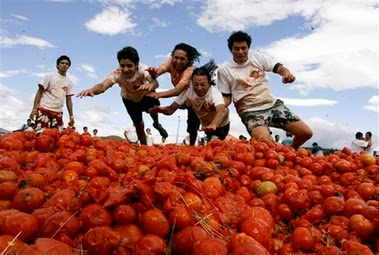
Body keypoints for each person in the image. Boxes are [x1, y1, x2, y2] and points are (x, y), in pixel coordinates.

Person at [217, 31, 312, 150]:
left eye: (243, 48)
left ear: (248, 48)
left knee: (306, 133)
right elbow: (226, 97)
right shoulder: (224, 69)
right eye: (236, 49)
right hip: (250, 110)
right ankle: (274, 154)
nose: (240, 52)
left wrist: (287, 74)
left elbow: (279, 68)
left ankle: (291, 151)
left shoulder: (257, 57)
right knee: (264, 141)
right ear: (231, 50)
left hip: (272, 105)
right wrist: (218, 104)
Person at [76, 46, 168, 145]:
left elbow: (154, 82)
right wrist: (91, 90)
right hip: (129, 99)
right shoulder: (117, 73)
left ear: (136, 64)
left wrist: (150, 85)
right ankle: (144, 147)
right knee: (139, 125)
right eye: (122, 65)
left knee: (153, 107)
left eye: (129, 66)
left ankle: (156, 123)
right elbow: (102, 86)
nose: (125, 69)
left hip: (144, 94)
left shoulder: (143, 69)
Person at [149, 60, 229, 143]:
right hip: (207, 126)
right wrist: (162, 110)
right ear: (191, 83)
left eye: (203, 85)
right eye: (195, 84)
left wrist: (214, 125)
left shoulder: (214, 93)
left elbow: (221, 110)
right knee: (208, 146)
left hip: (221, 125)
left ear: (209, 83)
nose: (199, 88)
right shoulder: (188, 91)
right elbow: (171, 109)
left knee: (214, 144)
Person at [147, 43, 201, 145]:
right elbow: (160, 71)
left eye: (182, 59)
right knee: (170, 109)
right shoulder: (171, 62)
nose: (178, 61)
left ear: (188, 60)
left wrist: (159, 95)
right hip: (182, 95)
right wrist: (154, 73)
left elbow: (177, 90)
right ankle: (158, 122)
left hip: (192, 95)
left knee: (192, 122)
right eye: (176, 58)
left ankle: (192, 146)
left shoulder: (190, 71)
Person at [29, 55, 75, 132]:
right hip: (44, 108)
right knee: (40, 134)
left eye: (67, 64)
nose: (64, 65)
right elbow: (40, 92)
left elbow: (69, 99)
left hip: (58, 112)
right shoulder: (49, 76)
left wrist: (71, 116)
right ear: (57, 65)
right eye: (62, 63)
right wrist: (34, 109)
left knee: (56, 135)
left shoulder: (69, 82)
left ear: (69, 67)